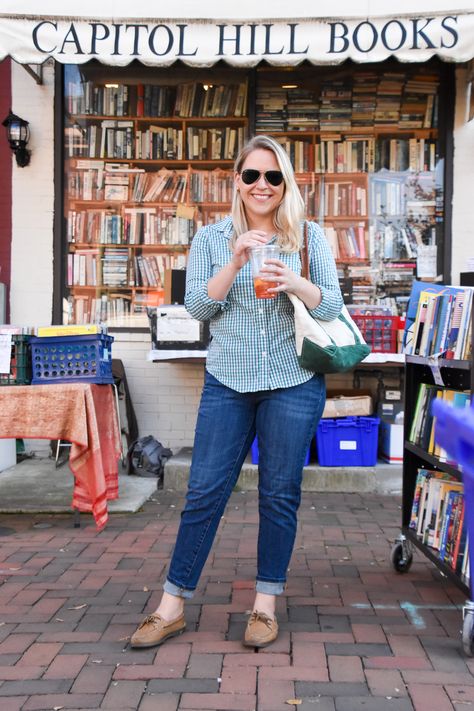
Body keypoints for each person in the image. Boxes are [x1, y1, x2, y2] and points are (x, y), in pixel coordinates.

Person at [131, 135, 343, 649]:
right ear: (238, 182)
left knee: (278, 494)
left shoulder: (309, 238)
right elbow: (200, 311)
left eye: (273, 176)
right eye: (252, 175)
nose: (262, 186)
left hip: (293, 382)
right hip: (229, 381)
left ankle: (265, 605)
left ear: (285, 182)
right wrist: (235, 258)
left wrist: (293, 281)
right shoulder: (211, 238)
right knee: (203, 491)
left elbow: (331, 308)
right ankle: (172, 604)